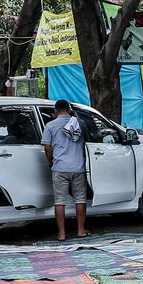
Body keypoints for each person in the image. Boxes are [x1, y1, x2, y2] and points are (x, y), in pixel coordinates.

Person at [41, 99, 89, 241]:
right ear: (69, 110)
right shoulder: (79, 123)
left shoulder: (50, 126)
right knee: (80, 199)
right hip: (78, 167)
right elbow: (88, 141)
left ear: (55, 111)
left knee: (60, 201)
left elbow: (47, 147)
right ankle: (80, 231)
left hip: (59, 168)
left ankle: (62, 234)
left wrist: (51, 162)